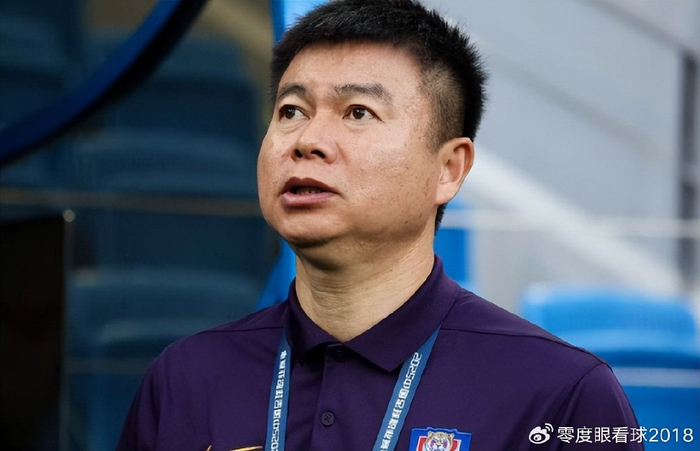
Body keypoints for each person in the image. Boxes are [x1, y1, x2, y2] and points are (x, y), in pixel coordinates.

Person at [118, 1, 643, 450]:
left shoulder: (559, 395)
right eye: (292, 110)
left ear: (449, 169)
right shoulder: (186, 378)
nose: (307, 140)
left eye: (358, 113)